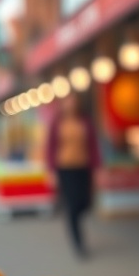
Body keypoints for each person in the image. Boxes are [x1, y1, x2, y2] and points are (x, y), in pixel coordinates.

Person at [45, 92, 100, 256]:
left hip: (83, 167)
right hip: (65, 168)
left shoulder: (85, 122)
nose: (71, 104)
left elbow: (93, 145)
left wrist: (97, 168)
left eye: (73, 101)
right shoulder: (57, 123)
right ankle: (78, 243)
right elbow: (50, 148)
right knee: (72, 205)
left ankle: (75, 218)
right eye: (68, 101)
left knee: (85, 203)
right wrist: (51, 171)